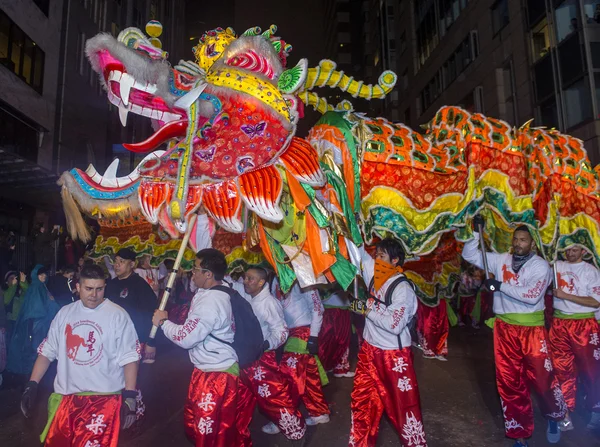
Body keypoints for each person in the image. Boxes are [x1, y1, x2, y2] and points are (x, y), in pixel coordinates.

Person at [462, 217, 565, 446]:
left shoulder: (540, 266)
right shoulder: (501, 259)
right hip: (504, 330)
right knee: (510, 382)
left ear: (532, 244)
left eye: (523, 240)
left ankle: (554, 416)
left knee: (542, 379)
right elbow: (469, 255)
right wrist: (475, 233)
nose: (518, 243)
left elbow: (532, 296)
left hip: (531, 330)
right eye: (516, 239)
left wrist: (499, 286)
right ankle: (519, 431)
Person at [20, 264, 140, 446]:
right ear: (78, 287)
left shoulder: (117, 315)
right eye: (88, 289)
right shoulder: (64, 314)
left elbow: (130, 357)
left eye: (99, 289)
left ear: (105, 287)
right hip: (67, 400)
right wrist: (32, 384)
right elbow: (47, 352)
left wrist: (130, 396)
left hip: (103, 401)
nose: (94, 295)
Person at [152, 248, 240, 446]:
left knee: (207, 429)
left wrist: (163, 322)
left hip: (217, 374)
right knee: (199, 424)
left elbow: (186, 337)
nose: (192, 273)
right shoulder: (217, 290)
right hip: (208, 369)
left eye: (195, 269)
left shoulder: (211, 301)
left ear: (208, 274)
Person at [348, 239, 427, 447]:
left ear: (395, 260)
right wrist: (344, 219)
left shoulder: (403, 289)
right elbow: (357, 253)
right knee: (362, 401)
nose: (376, 260)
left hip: (393, 356)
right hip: (369, 351)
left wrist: (366, 309)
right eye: (376, 255)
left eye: (381, 256)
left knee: (403, 408)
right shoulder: (375, 275)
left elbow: (395, 324)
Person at [231, 267, 306, 444]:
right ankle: (235, 432)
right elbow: (234, 286)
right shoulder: (250, 297)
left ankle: (296, 429)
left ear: (261, 282)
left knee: (273, 396)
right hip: (246, 358)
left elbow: (281, 331)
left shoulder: (269, 303)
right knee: (241, 397)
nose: (246, 282)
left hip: (262, 358)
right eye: (245, 278)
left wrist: (266, 344)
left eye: (250, 279)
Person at [549, 244, 600, 431]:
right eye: (567, 249)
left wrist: (566, 295)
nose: (570, 253)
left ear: (584, 251)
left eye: (575, 250)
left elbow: (596, 301)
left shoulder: (590, 271)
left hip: (584, 325)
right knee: (561, 370)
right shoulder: (556, 265)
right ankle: (564, 414)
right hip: (560, 324)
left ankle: (596, 411)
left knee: (591, 371)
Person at [276, 282, 330, 430]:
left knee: (288, 375)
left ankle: (284, 416)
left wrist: (313, 336)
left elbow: (317, 308)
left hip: (303, 332)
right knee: (307, 375)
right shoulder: (275, 279)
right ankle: (318, 412)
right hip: (287, 333)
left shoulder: (303, 279)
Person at [105, 248, 157, 363]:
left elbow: (152, 315)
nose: (117, 265)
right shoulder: (110, 285)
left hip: (134, 340)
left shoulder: (140, 285)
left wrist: (151, 341)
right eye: (116, 261)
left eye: (122, 261)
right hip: (112, 340)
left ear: (132, 264)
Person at [7, 266, 60, 376]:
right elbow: (36, 309)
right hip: (38, 325)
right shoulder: (37, 287)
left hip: (41, 324)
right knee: (35, 349)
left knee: (37, 349)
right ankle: (32, 374)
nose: (44, 276)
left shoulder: (41, 286)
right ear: (36, 275)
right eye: (41, 274)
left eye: (45, 274)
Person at [318, 287, 355, 377]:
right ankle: (324, 366)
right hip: (329, 311)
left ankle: (340, 368)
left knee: (343, 339)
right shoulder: (322, 275)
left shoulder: (347, 275)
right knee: (326, 340)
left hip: (343, 310)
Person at [3, 270, 28, 339]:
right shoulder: (4, 292)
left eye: (15, 278)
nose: (14, 279)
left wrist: (24, 283)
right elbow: (5, 300)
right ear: (6, 282)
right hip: (9, 323)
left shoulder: (20, 292)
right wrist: (13, 286)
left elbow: (30, 294)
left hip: (21, 321)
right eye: (11, 278)